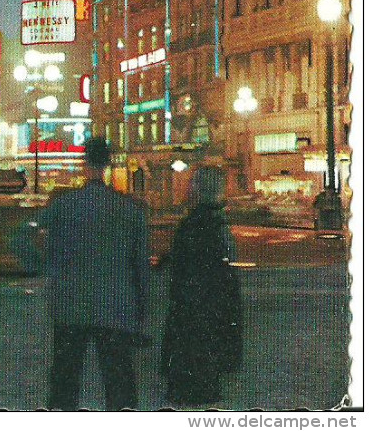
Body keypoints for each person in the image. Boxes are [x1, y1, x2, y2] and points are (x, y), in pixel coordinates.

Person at [39, 136, 150, 411]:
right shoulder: (129, 209)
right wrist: (141, 310)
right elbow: (140, 266)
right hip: (115, 305)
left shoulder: (63, 205)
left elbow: (24, 237)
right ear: (108, 164)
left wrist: (48, 266)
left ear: (83, 162)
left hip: (69, 303)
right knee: (119, 383)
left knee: (65, 380)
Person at [161, 165, 242, 407]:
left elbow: (182, 262)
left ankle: (189, 394)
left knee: (190, 353)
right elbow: (228, 260)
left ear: (197, 189)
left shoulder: (192, 223)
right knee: (208, 353)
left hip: (190, 302)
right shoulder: (218, 224)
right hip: (214, 301)